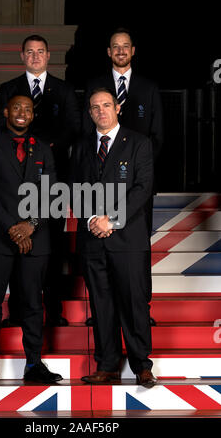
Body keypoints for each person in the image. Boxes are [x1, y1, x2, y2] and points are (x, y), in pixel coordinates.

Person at [0, 95, 63, 388]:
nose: (22, 113)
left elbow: (51, 194)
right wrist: (13, 227)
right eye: (16, 108)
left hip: (35, 240)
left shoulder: (44, 149)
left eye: (27, 109)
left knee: (33, 305)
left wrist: (30, 226)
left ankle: (34, 365)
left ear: (32, 115)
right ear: (6, 112)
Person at [71, 88, 157, 387]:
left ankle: (141, 365)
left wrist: (112, 220)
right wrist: (94, 220)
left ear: (117, 107)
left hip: (128, 240)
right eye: (95, 107)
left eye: (106, 105)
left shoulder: (138, 143)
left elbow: (142, 189)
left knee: (133, 302)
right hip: (94, 239)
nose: (101, 111)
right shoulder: (82, 146)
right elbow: (75, 188)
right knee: (101, 304)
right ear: (90, 112)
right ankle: (107, 365)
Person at [0, 34, 81, 327]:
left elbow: (73, 129)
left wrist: (42, 149)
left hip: (53, 179)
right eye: (29, 52)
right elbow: (0, 129)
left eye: (40, 51)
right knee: (19, 243)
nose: (34, 56)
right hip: (17, 183)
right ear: (22, 56)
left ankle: (53, 311)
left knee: (52, 246)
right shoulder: (9, 89)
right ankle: (17, 311)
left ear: (48, 55)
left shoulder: (65, 90)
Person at [83, 27, 163, 327]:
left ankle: (142, 307)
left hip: (137, 181)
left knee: (137, 246)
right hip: (101, 180)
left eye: (125, 46)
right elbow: (85, 134)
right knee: (100, 248)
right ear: (108, 51)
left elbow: (158, 136)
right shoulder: (96, 86)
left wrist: (140, 169)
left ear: (133, 50)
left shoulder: (148, 87)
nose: (120, 51)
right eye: (115, 46)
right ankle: (102, 311)